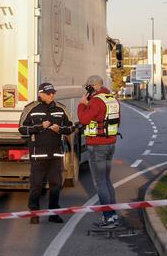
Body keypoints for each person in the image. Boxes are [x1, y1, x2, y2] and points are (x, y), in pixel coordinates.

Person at [18, 82, 75, 224]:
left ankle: (53, 214)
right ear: (41, 94)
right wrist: (38, 127)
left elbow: (71, 127)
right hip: (38, 155)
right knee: (36, 185)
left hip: (56, 154)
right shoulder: (31, 108)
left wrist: (60, 129)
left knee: (56, 185)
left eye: (53, 93)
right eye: (48, 93)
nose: (51, 95)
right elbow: (21, 128)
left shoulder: (61, 109)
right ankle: (34, 213)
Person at [77, 74, 121, 229]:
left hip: (97, 145)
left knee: (100, 182)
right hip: (110, 144)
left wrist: (82, 104)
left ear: (93, 86)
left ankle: (108, 217)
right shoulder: (111, 99)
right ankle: (113, 214)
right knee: (107, 180)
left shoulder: (96, 101)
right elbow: (117, 120)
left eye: (88, 87)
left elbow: (83, 120)